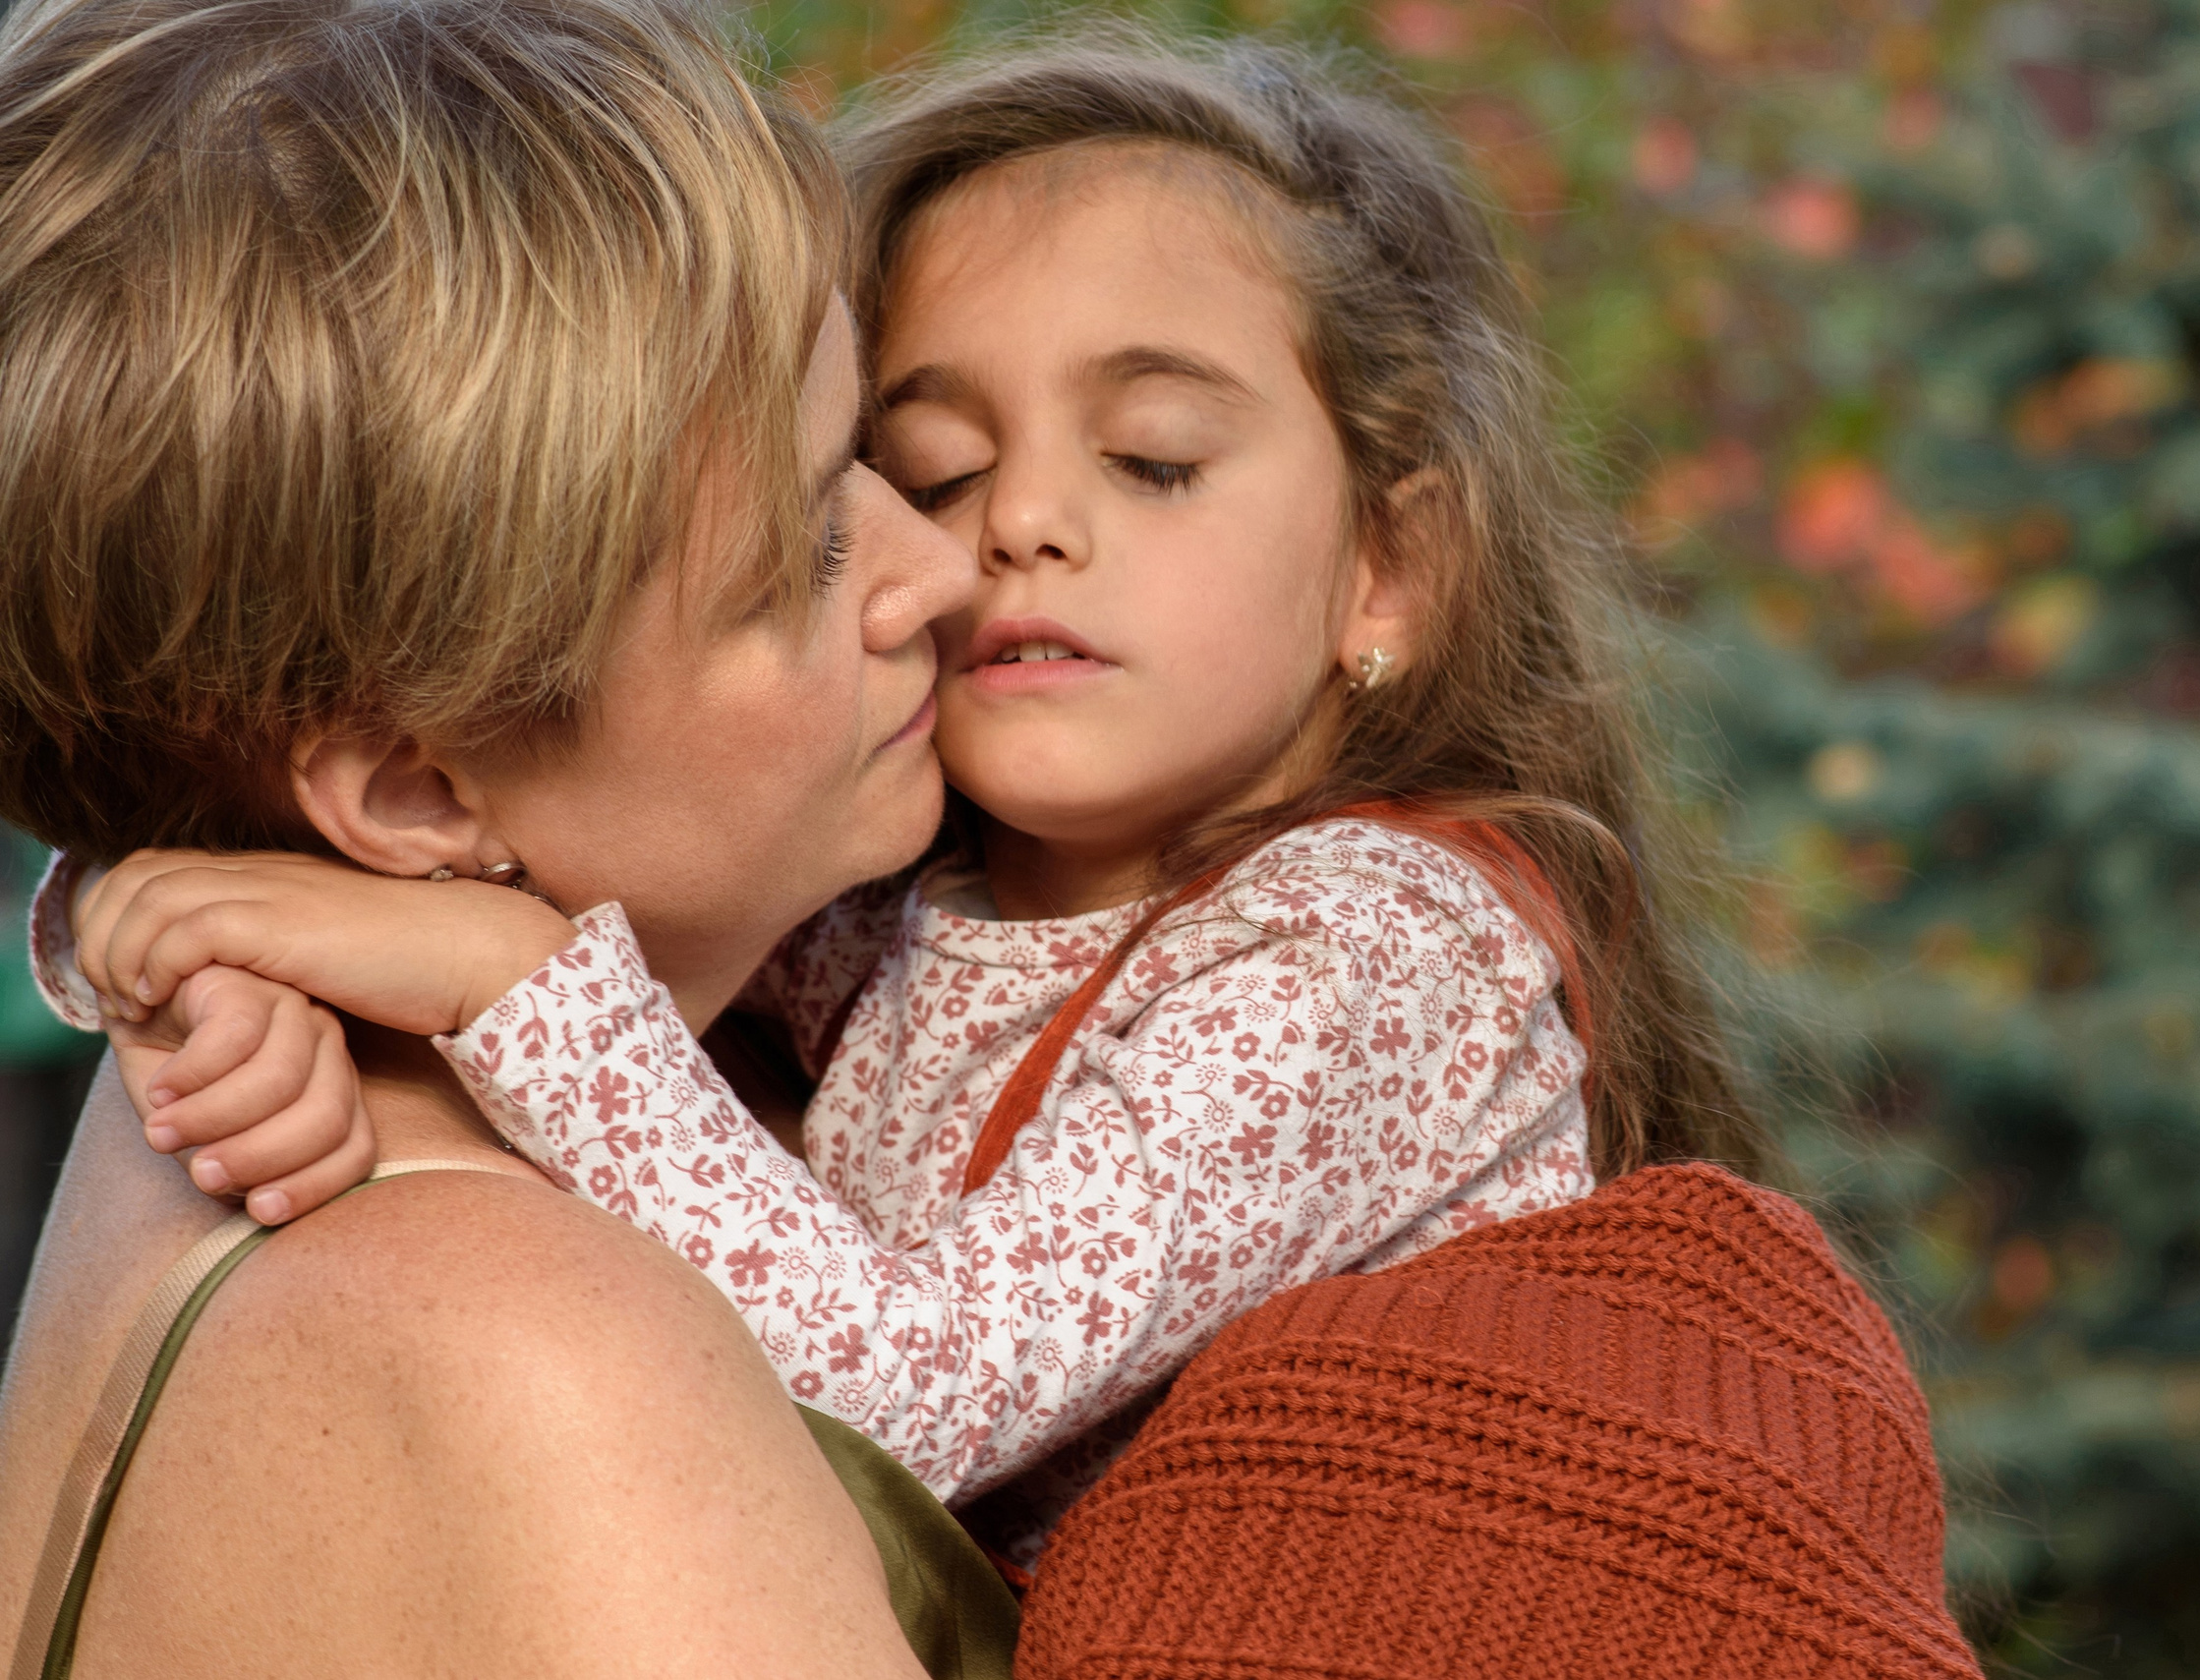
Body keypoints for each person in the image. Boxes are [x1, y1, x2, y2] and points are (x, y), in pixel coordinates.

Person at [54, 29, 1766, 1569]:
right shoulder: (932, 899)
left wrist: (494, 973)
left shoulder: (1372, 959)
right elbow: (236, 807)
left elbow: (915, 1392)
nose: (995, 534)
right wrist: (209, 961)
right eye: (927, 466)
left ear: (1389, 570)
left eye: (1153, 460)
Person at [0, 0, 1014, 1672]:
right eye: (804, 557)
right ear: (419, 794)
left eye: (878, 459)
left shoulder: (221, 1064)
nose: (941, 568)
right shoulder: (549, 1356)